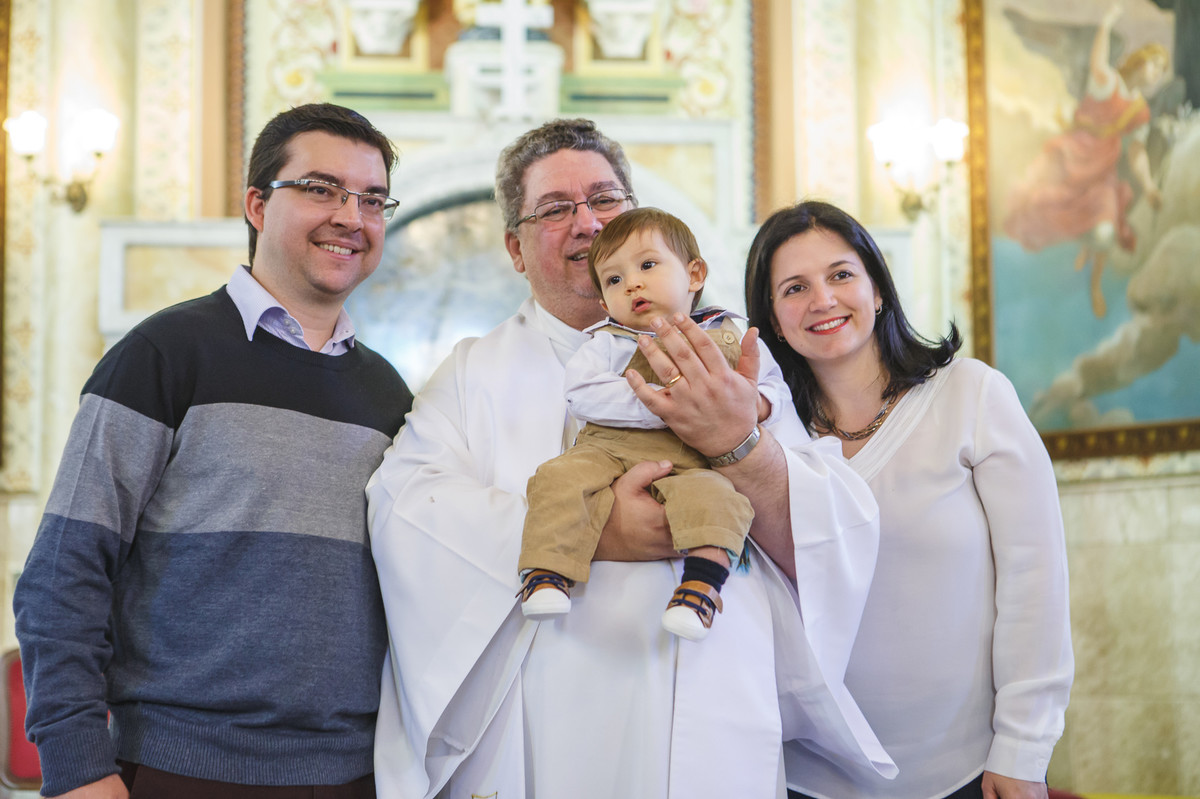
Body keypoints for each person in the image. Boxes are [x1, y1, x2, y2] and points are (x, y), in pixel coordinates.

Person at [367, 119, 896, 799]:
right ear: (516, 248)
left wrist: (737, 442)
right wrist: (597, 531)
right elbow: (404, 508)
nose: (588, 223)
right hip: (548, 717)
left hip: (711, 695)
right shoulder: (472, 372)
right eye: (555, 209)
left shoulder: (727, 350)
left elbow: (826, 531)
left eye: (606, 200)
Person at [13, 103, 413, 799]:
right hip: (182, 768)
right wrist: (77, 766)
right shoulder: (162, 355)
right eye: (321, 189)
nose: (351, 216)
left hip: (357, 773)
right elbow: (63, 572)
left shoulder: (388, 393)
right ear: (257, 204)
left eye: (372, 199)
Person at [745, 200, 1074, 799]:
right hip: (805, 779)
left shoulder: (971, 394)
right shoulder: (765, 440)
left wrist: (1024, 747)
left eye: (841, 274)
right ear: (772, 318)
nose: (822, 300)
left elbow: (1036, 579)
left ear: (876, 288)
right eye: (795, 287)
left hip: (967, 771)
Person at [519, 207, 791, 641]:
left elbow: (776, 388)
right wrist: (663, 405)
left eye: (647, 265)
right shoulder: (609, 341)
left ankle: (700, 590)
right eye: (614, 280)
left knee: (719, 498)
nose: (632, 283)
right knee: (558, 479)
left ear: (694, 274)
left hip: (691, 459)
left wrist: (755, 405)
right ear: (605, 303)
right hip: (609, 449)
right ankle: (546, 573)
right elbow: (581, 392)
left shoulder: (731, 332)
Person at [1003, 3, 1169, 318]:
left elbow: (1137, 151)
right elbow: (1097, 61)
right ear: (1141, 60)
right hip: (1072, 155)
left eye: (1162, 70)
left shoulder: (1139, 110)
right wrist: (1106, 24)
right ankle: (1079, 247)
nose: (1157, 74)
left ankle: (1095, 284)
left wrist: (1149, 187)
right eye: (1155, 65)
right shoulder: (1108, 82)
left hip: (1102, 169)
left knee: (1105, 232)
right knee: (1039, 205)